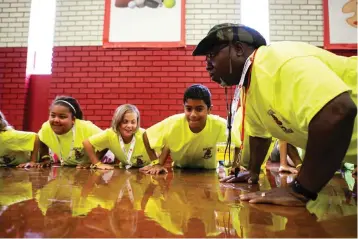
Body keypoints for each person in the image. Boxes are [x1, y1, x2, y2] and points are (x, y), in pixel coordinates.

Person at [192, 23, 357, 206]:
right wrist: (252, 171)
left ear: (238, 49)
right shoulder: (252, 88)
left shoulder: (275, 61)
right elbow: (259, 136)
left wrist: (300, 190)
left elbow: (338, 110)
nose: (208, 65)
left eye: (212, 55)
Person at [140, 84, 243, 175]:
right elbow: (146, 135)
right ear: (184, 108)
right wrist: (155, 163)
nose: (193, 115)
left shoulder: (221, 125)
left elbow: (237, 144)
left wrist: (235, 165)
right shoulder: (173, 123)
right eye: (188, 109)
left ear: (209, 110)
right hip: (179, 172)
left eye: (199, 109)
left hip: (209, 174)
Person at [34, 96, 106, 168]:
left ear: (73, 120)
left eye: (62, 117)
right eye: (53, 115)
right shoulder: (47, 127)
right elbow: (41, 139)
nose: (56, 120)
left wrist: (92, 161)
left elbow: (106, 140)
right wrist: (45, 158)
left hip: (103, 165)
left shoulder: (86, 127)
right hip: (69, 166)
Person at [83, 104, 152, 170]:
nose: (129, 126)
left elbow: (159, 152)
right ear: (117, 122)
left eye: (133, 122)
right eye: (125, 122)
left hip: (147, 170)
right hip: (128, 169)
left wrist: (154, 165)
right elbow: (87, 143)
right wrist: (97, 163)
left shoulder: (144, 134)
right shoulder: (110, 134)